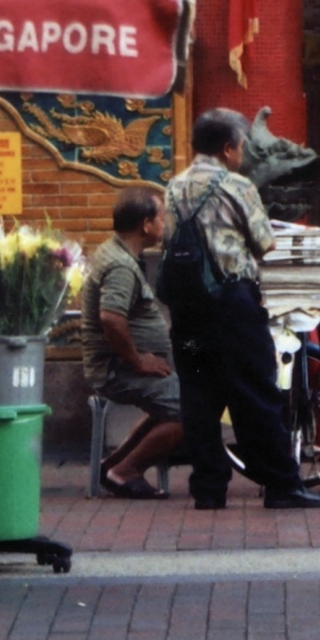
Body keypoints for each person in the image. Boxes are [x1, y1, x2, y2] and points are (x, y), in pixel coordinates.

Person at [162, 108, 320, 511]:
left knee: (199, 396)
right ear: (228, 148)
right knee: (255, 392)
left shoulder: (173, 186)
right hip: (231, 303)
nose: (243, 154)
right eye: (241, 146)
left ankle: (208, 488)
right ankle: (281, 485)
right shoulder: (237, 185)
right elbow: (264, 242)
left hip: (185, 305)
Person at [81, 186, 185, 499]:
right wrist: (138, 360)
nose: (164, 224)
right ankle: (124, 473)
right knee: (192, 411)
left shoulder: (119, 253)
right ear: (145, 224)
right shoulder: (120, 266)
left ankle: (112, 465)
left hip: (121, 364)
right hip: (118, 369)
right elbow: (111, 319)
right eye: (161, 217)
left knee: (176, 399)